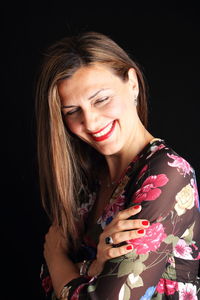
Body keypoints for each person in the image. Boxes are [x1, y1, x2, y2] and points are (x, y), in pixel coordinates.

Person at [36, 31, 200, 299]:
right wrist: (95, 267)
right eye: (72, 111)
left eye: (100, 99)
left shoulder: (167, 173)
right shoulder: (87, 186)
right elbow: (47, 286)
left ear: (132, 84)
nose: (90, 123)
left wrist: (57, 259)